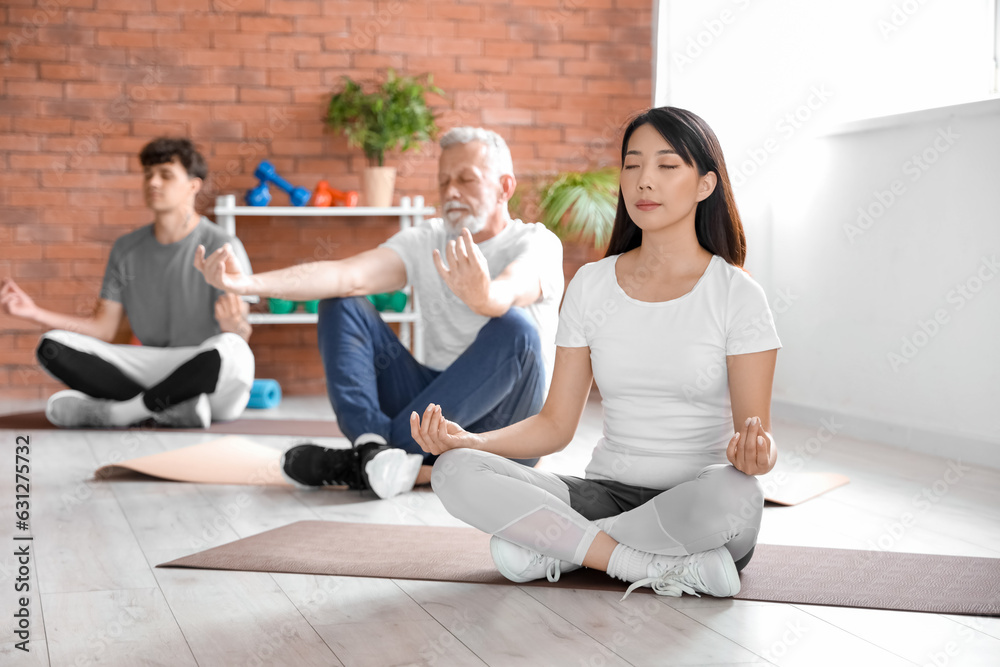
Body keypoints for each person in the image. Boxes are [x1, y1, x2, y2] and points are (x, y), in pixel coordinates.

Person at [410, 107, 781, 600]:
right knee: (454, 471)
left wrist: (758, 455)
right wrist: (473, 442)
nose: (644, 180)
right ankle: (641, 562)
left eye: (667, 166)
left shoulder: (738, 294)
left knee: (738, 493)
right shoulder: (591, 285)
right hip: (603, 496)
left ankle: (564, 549)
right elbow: (556, 425)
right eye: (632, 165)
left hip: (697, 501)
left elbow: (754, 441)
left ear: (705, 185)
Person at [195, 127, 564, 499]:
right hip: (430, 408)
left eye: (466, 179)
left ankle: (368, 462)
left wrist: (482, 295)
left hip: (505, 427)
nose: (451, 191)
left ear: (505, 187)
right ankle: (374, 448)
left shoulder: (537, 244)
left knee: (517, 329)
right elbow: (346, 274)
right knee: (340, 298)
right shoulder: (428, 239)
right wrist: (246, 283)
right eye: (444, 181)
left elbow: (507, 292)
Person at [0, 137, 255, 429]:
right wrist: (34, 313)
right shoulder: (126, 249)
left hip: (204, 369)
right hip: (149, 366)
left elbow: (240, 333)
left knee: (234, 349)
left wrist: (235, 327)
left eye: (166, 175)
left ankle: (121, 413)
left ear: (193, 186)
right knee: (52, 344)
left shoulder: (223, 245)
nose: (153, 182)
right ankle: (171, 407)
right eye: (148, 175)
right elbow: (103, 329)